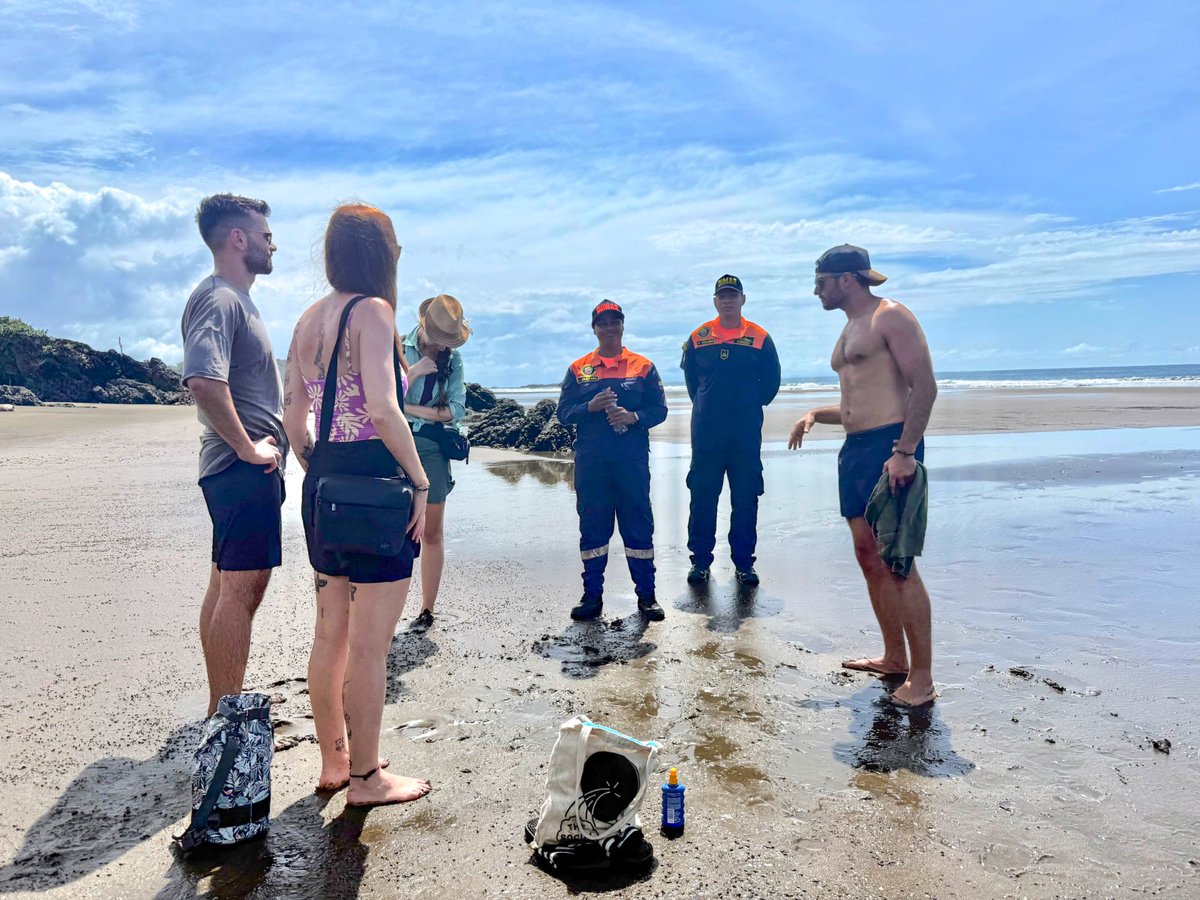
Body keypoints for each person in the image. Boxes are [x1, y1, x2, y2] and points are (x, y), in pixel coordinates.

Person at [282, 204, 433, 806]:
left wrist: (316, 466)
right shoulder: (373, 312)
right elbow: (382, 408)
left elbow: (294, 413)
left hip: (322, 485)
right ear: (380, 255)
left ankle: (335, 760)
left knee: (330, 635)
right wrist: (419, 482)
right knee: (371, 643)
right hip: (376, 485)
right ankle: (368, 781)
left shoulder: (305, 320)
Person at [788, 245, 939, 708]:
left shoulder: (890, 317)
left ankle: (923, 677)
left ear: (847, 279)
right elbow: (858, 403)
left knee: (897, 562)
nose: (816, 291)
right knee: (868, 555)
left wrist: (905, 452)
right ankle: (894, 658)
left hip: (889, 448)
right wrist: (816, 412)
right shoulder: (851, 327)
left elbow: (925, 386)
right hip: (855, 450)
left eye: (821, 282)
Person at [181, 193, 286, 717]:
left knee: (226, 584)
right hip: (239, 469)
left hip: (236, 469)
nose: (273, 243)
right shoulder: (220, 298)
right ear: (238, 239)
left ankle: (216, 713)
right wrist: (247, 448)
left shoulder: (236, 299)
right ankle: (226, 724)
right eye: (265, 235)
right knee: (240, 593)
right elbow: (203, 380)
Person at [556, 300, 668, 621]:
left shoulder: (642, 366)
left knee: (638, 530)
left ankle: (647, 597)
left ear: (622, 325)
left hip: (631, 466)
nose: (608, 327)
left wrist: (633, 416)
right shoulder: (579, 370)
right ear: (594, 328)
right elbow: (563, 413)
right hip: (592, 467)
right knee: (593, 532)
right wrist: (590, 407)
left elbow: (659, 410)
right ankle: (592, 597)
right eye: (602, 323)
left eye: (614, 321)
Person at [681, 274, 781, 586]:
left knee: (745, 499)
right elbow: (692, 385)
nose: (727, 300)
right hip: (707, 437)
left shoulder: (759, 337)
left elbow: (771, 384)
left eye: (732, 295)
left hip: (744, 437)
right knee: (702, 499)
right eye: (722, 295)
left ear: (742, 299)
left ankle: (744, 564)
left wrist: (747, 406)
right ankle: (700, 562)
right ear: (715, 301)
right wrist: (709, 406)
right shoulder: (699, 337)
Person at [400, 294, 471, 633]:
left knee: (431, 531)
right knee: (394, 528)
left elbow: (455, 411)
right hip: (394, 443)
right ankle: (386, 606)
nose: (444, 347)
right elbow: (378, 398)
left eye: (449, 341)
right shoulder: (398, 347)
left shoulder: (453, 361)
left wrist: (411, 410)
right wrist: (412, 373)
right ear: (425, 326)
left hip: (432, 446)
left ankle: (427, 609)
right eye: (440, 339)